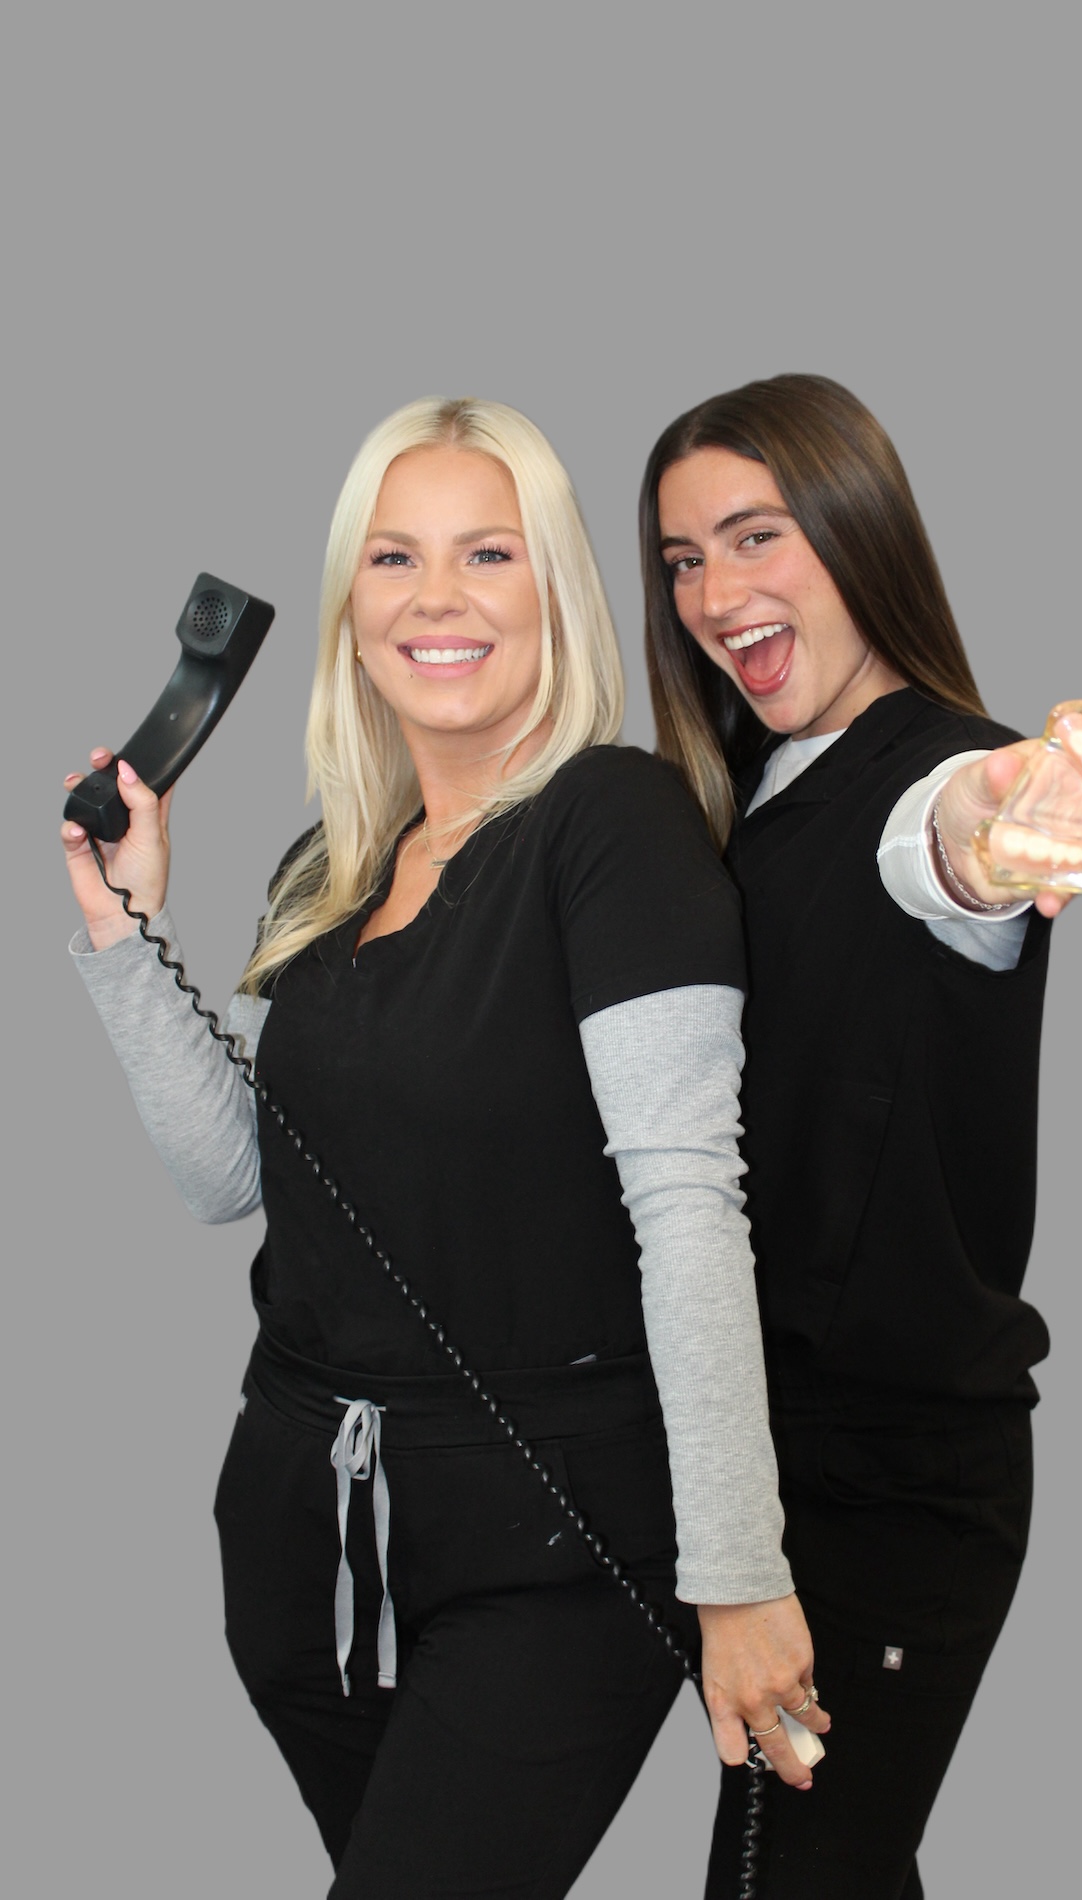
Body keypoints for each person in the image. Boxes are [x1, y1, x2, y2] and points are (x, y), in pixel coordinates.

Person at [60, 396, 831, 1900]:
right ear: (351, 607)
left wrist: (737, 1571)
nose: (436, 599)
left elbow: (688, 1210)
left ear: (555, 589)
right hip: (306, 1533)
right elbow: (234, 1176)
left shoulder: (617, 825)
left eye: (489, 552)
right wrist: (119, 927)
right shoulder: (337, 857)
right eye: (393, 558)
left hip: (547, 1543)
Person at [638, 373, 1082, 1899]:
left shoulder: (927, 772)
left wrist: (1012, 819)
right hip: (747, 1459)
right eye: (681, 560)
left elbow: (952, 841)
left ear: (857, 530)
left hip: (886, 1484)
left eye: (756, 536)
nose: (714, 593)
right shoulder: (741, 799)